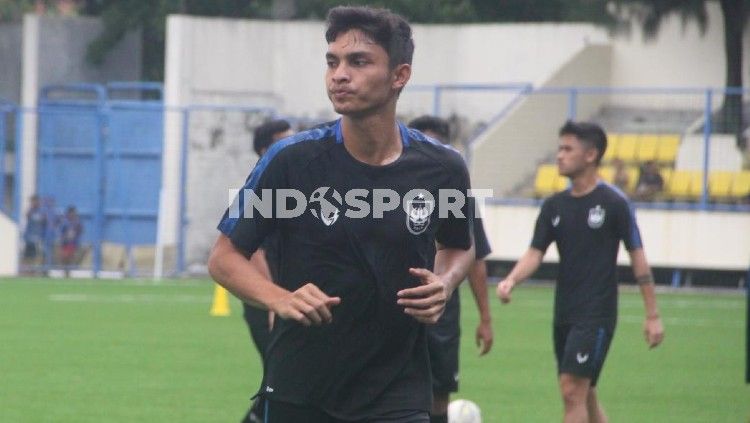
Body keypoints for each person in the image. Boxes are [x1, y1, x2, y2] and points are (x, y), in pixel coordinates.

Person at [208, 6, 475, 423]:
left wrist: (444, 281)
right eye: (332, 62)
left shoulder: (442, 168)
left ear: (399, 76)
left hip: (398, 392)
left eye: (359, 61)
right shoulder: (292, 162)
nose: (339, 74)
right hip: (301, 388)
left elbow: (460, 247)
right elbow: (224, 258)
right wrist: (280, 297)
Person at [496, 121, 665, 423]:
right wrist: (512, 279)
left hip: (596, 313)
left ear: (591, 155)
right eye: (559, 148)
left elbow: (638, 257)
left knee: (571, 390)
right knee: (584, 393)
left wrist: (652, 314)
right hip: (564, 312)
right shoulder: (554, 206)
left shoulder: (614, 203)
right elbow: (536, 252)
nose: (559, 155)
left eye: (567, 149)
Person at [408, 115, 493, 423]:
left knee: (439, 392)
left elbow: (474, 256)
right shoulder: (386, 193)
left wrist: (485, 318)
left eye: (436, 145)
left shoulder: (457, 195)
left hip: (441, 310)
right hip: (394, 306)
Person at [241, 119, 293, 423]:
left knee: (286, 381)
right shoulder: (258, 186)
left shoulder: (289, 184)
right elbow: (252, 250)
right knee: (281, 381)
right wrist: (273, 300)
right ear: (264, 149)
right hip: (266, 298)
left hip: (287, 297)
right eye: (283, 140)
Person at [22, 194, 47, 267]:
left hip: (38, 237)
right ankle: (27, 270)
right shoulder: (30, 210)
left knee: (37, 255)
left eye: (35, 201)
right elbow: (27, 215)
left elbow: (44, 221)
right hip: (29, 237)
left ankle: (36, 270)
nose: (34, 203)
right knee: (27, 255)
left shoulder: (42, 211)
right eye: (32, 201)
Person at [58, 205, 83, 274]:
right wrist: (65, 236)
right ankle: (65, 271)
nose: (72, 214)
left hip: (73, 243)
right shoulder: (65, 222)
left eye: (73, 213)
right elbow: (61, 232)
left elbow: (80, 230)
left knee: (70, 257)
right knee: (64, 257)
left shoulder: (77, 222)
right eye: (71, 213)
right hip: (65, 243)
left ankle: (68, 271)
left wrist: (75, 233)